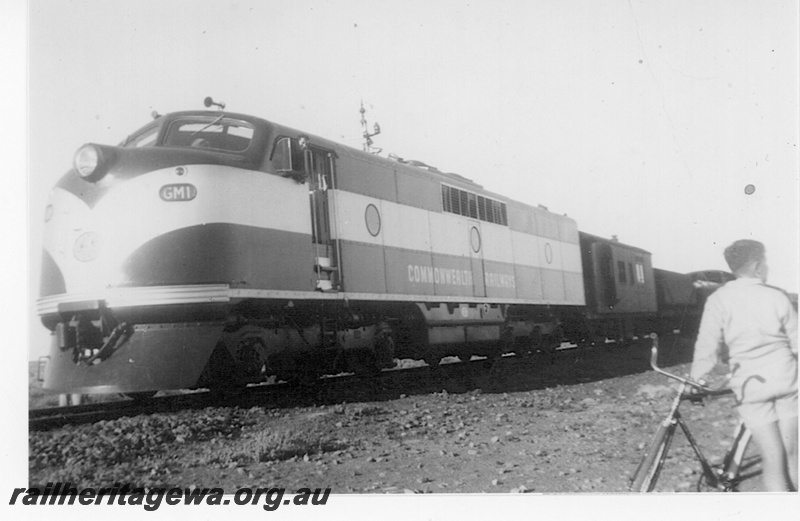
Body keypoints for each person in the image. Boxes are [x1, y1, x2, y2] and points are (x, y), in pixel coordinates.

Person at [690, 239, 798, 491]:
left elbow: (707, 346)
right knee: (794, 454)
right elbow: (796, 342)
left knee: (773, 458)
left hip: (750, 385)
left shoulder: (718, 299)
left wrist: (697, 379)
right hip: (786, 379)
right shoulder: (776, 296)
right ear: (759, 265)